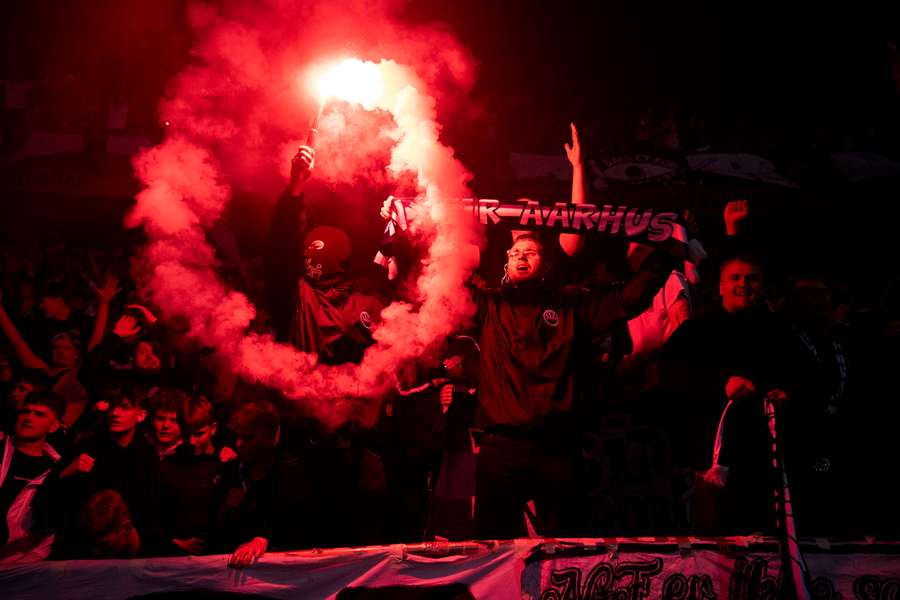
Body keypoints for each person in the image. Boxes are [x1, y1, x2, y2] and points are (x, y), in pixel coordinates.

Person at [660, 253, 794, 534]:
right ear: (721, 286)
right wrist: (720, 384)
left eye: (752, 278)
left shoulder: (778, 331)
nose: (743, 284)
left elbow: (798, 373)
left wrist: (787, 393)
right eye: (735, 278)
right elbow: (669, 376)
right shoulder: (698, 330)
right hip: (711, 456)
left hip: (763, 455)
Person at [0, 390, 64, 563]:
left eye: (39, 414)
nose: (28, 418)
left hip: (12, 562)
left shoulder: (56, 470)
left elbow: (50, 531)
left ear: (54, 426)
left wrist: (25, 565)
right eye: (25, 411)